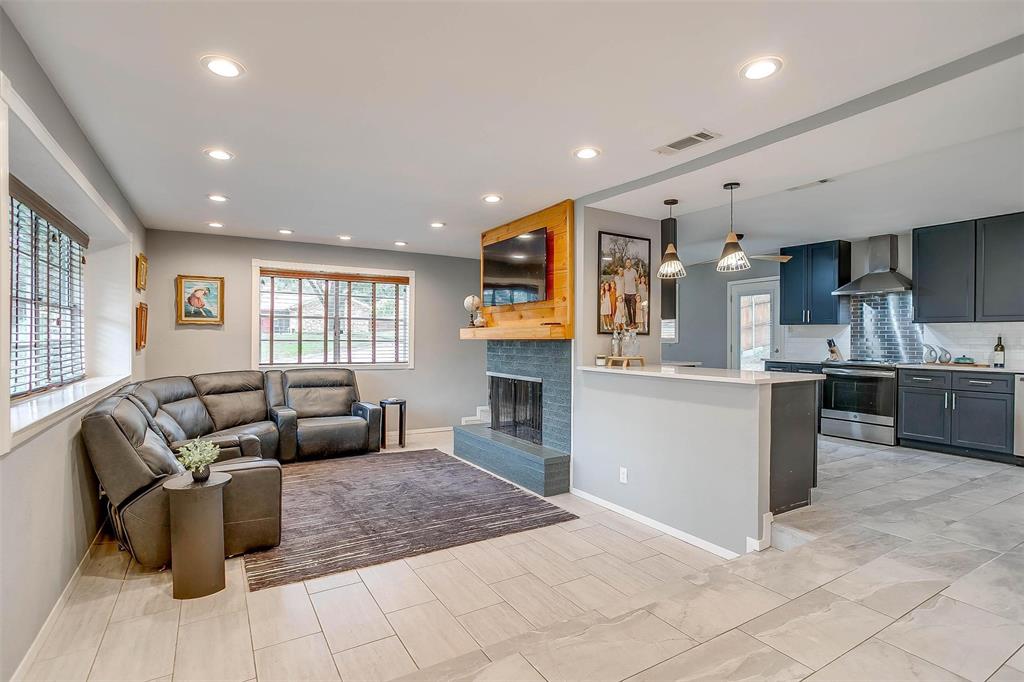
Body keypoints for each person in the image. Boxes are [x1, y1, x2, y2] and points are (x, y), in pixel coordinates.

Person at [622, 258, 639, 328]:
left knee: (634, 308)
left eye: (629, 262)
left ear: (631, 263)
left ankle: (634, 323)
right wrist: (623, 293)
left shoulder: (634, 271)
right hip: (626, 293)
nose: (628, 264)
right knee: (628, 309)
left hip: (633, 293)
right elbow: (623, 282)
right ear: (626, 264)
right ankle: (631, 322)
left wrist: (637, 291)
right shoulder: (624, 272)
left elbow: (637, 281)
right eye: (627, 263)